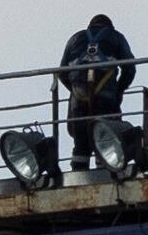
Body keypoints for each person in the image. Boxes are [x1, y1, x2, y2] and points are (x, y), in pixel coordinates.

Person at [57, 12, 138, 170]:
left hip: (78, 100)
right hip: (106, 98)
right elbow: (129, 69)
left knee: (80, 143)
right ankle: (104, 172)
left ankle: (79, 174)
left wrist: (74, 90)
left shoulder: (75, 38)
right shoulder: (116, 37)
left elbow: (61, 73)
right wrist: (119, 90)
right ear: (110, 26)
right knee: (106, 139)